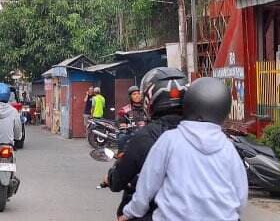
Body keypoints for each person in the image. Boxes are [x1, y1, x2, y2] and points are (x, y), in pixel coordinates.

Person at [120, 77, 248, 221]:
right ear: (224, 111)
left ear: (187, 105)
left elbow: (147, 186)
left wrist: (130, 212)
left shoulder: (170, 140)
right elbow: (241, 197)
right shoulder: (228, 148)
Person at [105, 67, 188, 219]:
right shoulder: (203, 134)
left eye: (139, 94)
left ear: (150, 98)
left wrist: (112, 177)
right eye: (134, 94)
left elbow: (119, 181)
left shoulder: (145, 138)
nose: (137, 97)